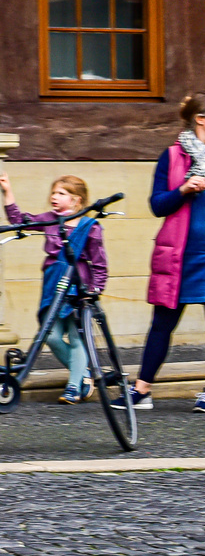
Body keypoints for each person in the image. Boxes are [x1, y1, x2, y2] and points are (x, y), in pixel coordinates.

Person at [121, 92, 205, 415]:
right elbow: (157, 206)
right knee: (162, 322)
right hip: (179, 254)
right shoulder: (171, 156)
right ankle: (142, 389)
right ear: (200, 118)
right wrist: (182, 190)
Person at [0, 172, 107, 404]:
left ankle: (73, 387)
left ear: (77, 199)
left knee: (77, 338)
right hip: (52, 286)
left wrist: (95, 289)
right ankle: (83, 373)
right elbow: (20, 219)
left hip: (78, 287)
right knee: (51, 336)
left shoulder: (90, 226)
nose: (54, 197)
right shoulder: (50, 219)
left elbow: (99, 263)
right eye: (53, 192)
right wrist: (7, 191)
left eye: (61, 193)